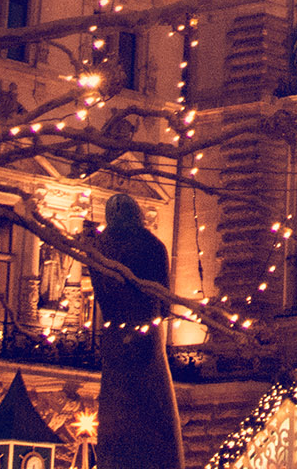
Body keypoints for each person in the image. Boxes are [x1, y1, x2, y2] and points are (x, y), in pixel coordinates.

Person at [82, 195, 184, 469]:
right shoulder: (152, 245)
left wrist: (90, 246)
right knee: (152, 405)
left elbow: (102, 291)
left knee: (120, 406)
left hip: (117, 334)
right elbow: (162, 297)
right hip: (146, 334)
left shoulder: (104, 246)